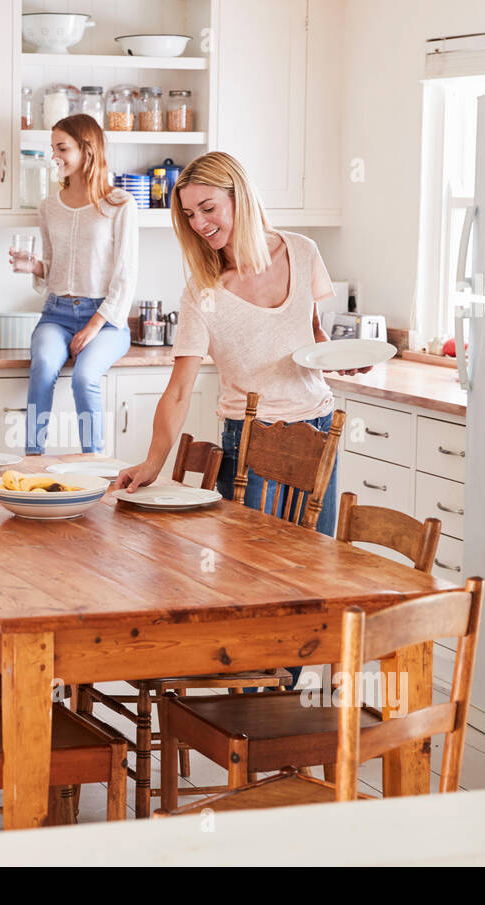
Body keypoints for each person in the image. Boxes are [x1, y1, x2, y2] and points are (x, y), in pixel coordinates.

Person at [114, 152, 370, 689]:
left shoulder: (302, 252)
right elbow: (180, 388)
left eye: (208, 208)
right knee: (252, 582)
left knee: (310, 577)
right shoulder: (203, 291)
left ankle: (290, 703)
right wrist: (153, 464)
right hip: (248, 439)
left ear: (239, 196)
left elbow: (315, 341)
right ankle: (256, 699)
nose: (200, 224)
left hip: (317, 431)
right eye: (189, 215)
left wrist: (349, 357)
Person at [10, 113, 137, 455]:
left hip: (107, 320)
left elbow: (126, 276)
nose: (55, 156)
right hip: (57, 314)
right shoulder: (49, 206)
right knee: (43, 369)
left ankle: (92, 463)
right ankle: (32, 458)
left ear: (87, 149)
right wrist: (33, 266)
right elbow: (55, 269)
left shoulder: (120, 204)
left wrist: (94, 326)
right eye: (53, 148)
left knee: (84, 378)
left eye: (62, 148)